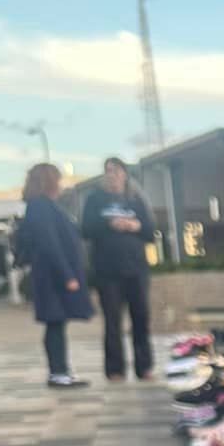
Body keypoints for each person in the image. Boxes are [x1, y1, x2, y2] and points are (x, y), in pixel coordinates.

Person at [15, 162, 91, 390]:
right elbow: (50, 243)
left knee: (57, 324)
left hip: (50, 276)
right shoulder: (40, 207)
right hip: (52, 278)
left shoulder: (42, 206)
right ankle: (58, 373)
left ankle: (61, 370)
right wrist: (67, 275)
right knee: (55, 324)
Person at [81, 157, 155, 380]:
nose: (111, 174)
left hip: (136, 269)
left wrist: (135, 225)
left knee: (141, 318)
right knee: (113, 321)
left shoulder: (135, 199)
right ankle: (115, 369)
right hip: (108, 271)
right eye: (108, 171)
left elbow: (150, 232)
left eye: (115, 170)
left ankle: (145, 367)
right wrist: (109, 223)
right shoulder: (95, 199)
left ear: (124, 173)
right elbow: (85, 229)